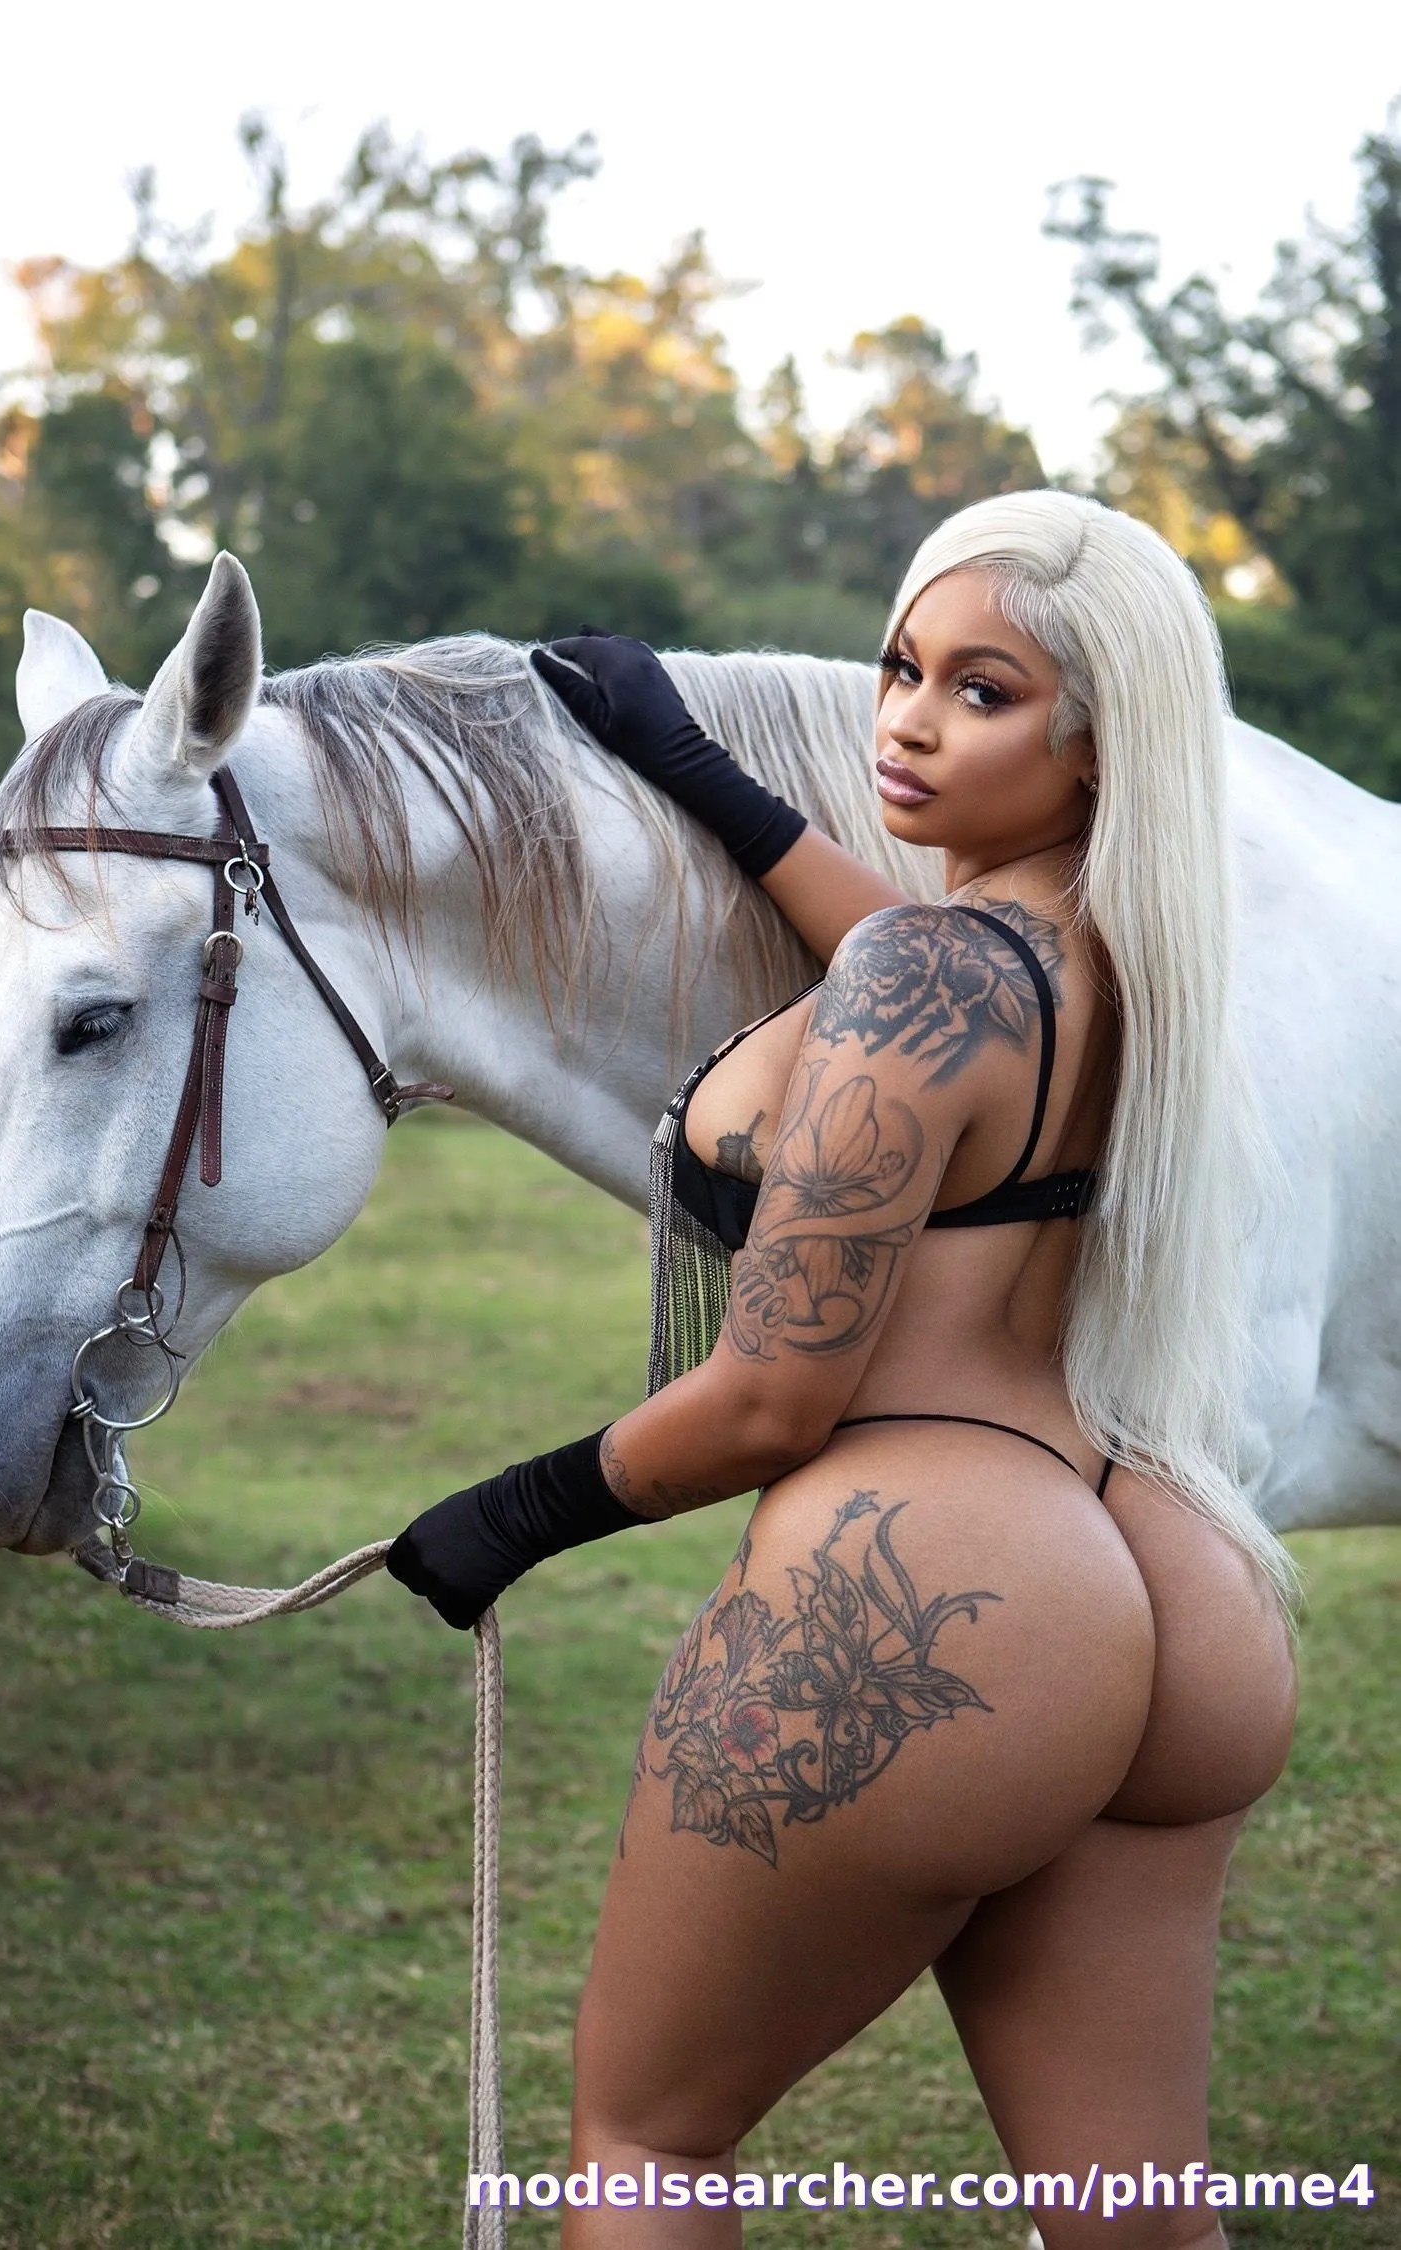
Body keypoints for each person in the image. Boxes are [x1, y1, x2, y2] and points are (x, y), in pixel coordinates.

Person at [388, 491, 1300, 2248]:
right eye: (902, 668)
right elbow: (905, 965)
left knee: (647, 2141)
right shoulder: (1119, 952)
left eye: (983, 691)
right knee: (1137, 2215)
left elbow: (772, 1395)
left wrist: (508, 1516)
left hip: (937, 1580)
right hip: (1171, 1571)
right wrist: (699, 773)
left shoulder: (926, 970)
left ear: (1096, 747)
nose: (909, 718)